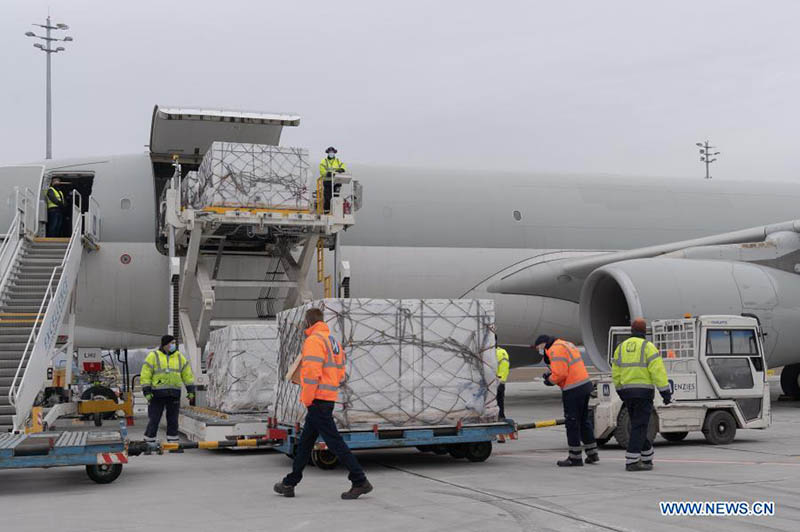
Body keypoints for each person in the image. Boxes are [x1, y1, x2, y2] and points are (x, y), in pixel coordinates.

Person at [274, 308, 373, 500]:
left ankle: (360, 480)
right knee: (305, 443)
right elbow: (341, 372)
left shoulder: (313, 341)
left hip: (317, 400)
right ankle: (290, 483)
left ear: (308, 322)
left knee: (334, 442)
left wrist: (307, 398)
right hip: (327, 398)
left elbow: (311, 373)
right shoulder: (333, 341)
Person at [611, 318, 671, 472]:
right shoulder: (648, 347)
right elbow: (658, 371)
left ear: (631, 331)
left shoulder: (621, 347)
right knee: (640, 426)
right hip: (643, 393)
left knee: (638, 425)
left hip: (627, 393)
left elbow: (615, 372)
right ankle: (632, 461)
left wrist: (620, 390)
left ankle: (647, 456)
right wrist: (665, 392)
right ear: (645, 332)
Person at [535, 334, 598, 467]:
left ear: (543, 344)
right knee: (584, 421)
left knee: (572, 422)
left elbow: (560, 374)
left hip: (573, 388)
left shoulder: (554, 349)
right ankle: (592, 453)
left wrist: (549, 380)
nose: (540, 351)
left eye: (538, 348)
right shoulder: (566, 344)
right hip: (584, 385)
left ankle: (575, 457)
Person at [140, 335, 196, 444]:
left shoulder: (179, 357)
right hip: (157, 394)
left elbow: (187, 375)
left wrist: (191, 390)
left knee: (173, 420)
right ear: (165, 344)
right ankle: (149, 442)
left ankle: (173, 443)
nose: (173, 345)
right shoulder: (153, 356)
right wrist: (147, 391)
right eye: (171, 343)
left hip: (174, 394)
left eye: (174, 343)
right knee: (154, 419)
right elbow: (145, 375)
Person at [319, 146, 346, 213]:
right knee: (328, 197)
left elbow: (343, 166)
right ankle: (327, 211)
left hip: (337, 181)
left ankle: (335, 211)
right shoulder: (324, 161)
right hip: (327, 182)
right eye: (330, 152)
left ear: (334, 153)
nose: (331, 153)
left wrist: (342, 169)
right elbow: (322, 170)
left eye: (332, 152)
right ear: (328, 153)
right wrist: (327, 173)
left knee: (336, 197)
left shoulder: (338, 161)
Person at [495, 342, 510, 442]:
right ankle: (500, 435)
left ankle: (501, 435)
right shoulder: (500, 352)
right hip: (494, 384)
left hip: (497, 384)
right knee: (496, 409)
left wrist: (499, 381)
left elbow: (504, 368)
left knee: (498, 410)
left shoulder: (498, 353)